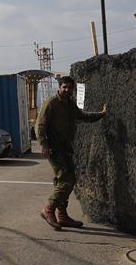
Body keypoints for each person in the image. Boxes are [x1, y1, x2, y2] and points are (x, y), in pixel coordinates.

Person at [35, 75, 107, 229]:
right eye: (64, 87)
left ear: (73, 89)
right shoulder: (51, 103)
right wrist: (44, 145)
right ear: (59, 88)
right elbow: (40, 125)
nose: (67, 90)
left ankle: (62, 216)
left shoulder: (70, 105)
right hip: (54, 148)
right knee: (68, 179)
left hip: (66, 148)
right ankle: (48, 209)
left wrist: (101, 114)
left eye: (70, 87)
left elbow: (82, 116)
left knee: (63, 180)